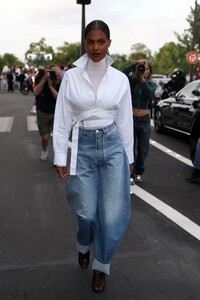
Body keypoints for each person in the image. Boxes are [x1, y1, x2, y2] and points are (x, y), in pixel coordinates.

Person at [53, 20, 134, 293]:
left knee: (112, 214)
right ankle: (83, 244)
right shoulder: (71, 77)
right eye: (90, 42)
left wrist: (129, 156)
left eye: (101, 41)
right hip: (83, 145)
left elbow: (124, 121)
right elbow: (62, 117)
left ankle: (101, 266)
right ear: (84, 43)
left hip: (113, 145)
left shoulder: (120, 79)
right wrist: (59, 156)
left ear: (109, 42)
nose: (96, 47)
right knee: (86, 211)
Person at [123, 59, 156, 183]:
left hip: (145, 120)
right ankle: (130, 173)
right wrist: (135, 64)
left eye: (147, 69)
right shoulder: (132, 82)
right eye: (143, 68)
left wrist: (143, 79)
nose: (144, 71)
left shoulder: (152, 85)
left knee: (143, 149)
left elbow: (150, 95)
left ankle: (139, 171)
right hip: (131, 118)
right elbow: (122, 74)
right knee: (129, 147)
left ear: (150, 71)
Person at [34, 66, 61, 161]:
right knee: (45, 137)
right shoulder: (44, 81)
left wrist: (50, 87)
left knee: (58, 137)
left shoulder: (62, 83)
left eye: (59, 75)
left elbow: (59, 98)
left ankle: (58, 157)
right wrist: (45, 80)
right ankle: (45, 150)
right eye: (56, 75)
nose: (58, 77)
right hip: (43, 112)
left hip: (56, 113)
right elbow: (36, 91)